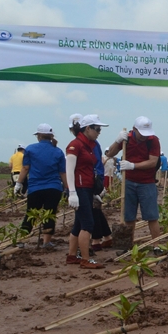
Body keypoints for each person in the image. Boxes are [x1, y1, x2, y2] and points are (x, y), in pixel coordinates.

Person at [105, 116, 162, 245]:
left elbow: (153, 162)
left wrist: (133, 165)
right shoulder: (127, 139)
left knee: (152, 216)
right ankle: (127, 245)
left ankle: (157, 245)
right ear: (134, 129)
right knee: (129, 217)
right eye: (141, 133)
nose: (144, 137)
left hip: (147, 182)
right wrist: (117, 140)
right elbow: (109, 154)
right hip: (129, 182)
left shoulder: (153, 140)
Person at [66, 114, 109, 269]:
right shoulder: (75, 145)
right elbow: (69, 170)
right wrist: (72, 192)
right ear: (87, 128)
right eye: (97, 129)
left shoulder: (89, 145)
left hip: (87, 188)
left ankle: (72, 256)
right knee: (88, 224)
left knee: (78, 224)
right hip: (79, 188)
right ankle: (86, 259)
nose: (99, 132)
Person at [17, 124, 66, 248]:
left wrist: (18, 183)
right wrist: (68, 188)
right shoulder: (58, 151)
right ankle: (46, 242)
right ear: (51, 136)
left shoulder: (30, 149)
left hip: (35, 188)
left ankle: (22, 241)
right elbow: (62, 172)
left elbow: (25, 168)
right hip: (54, 188)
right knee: (50, 214)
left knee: (31, 214)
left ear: (38, 136)